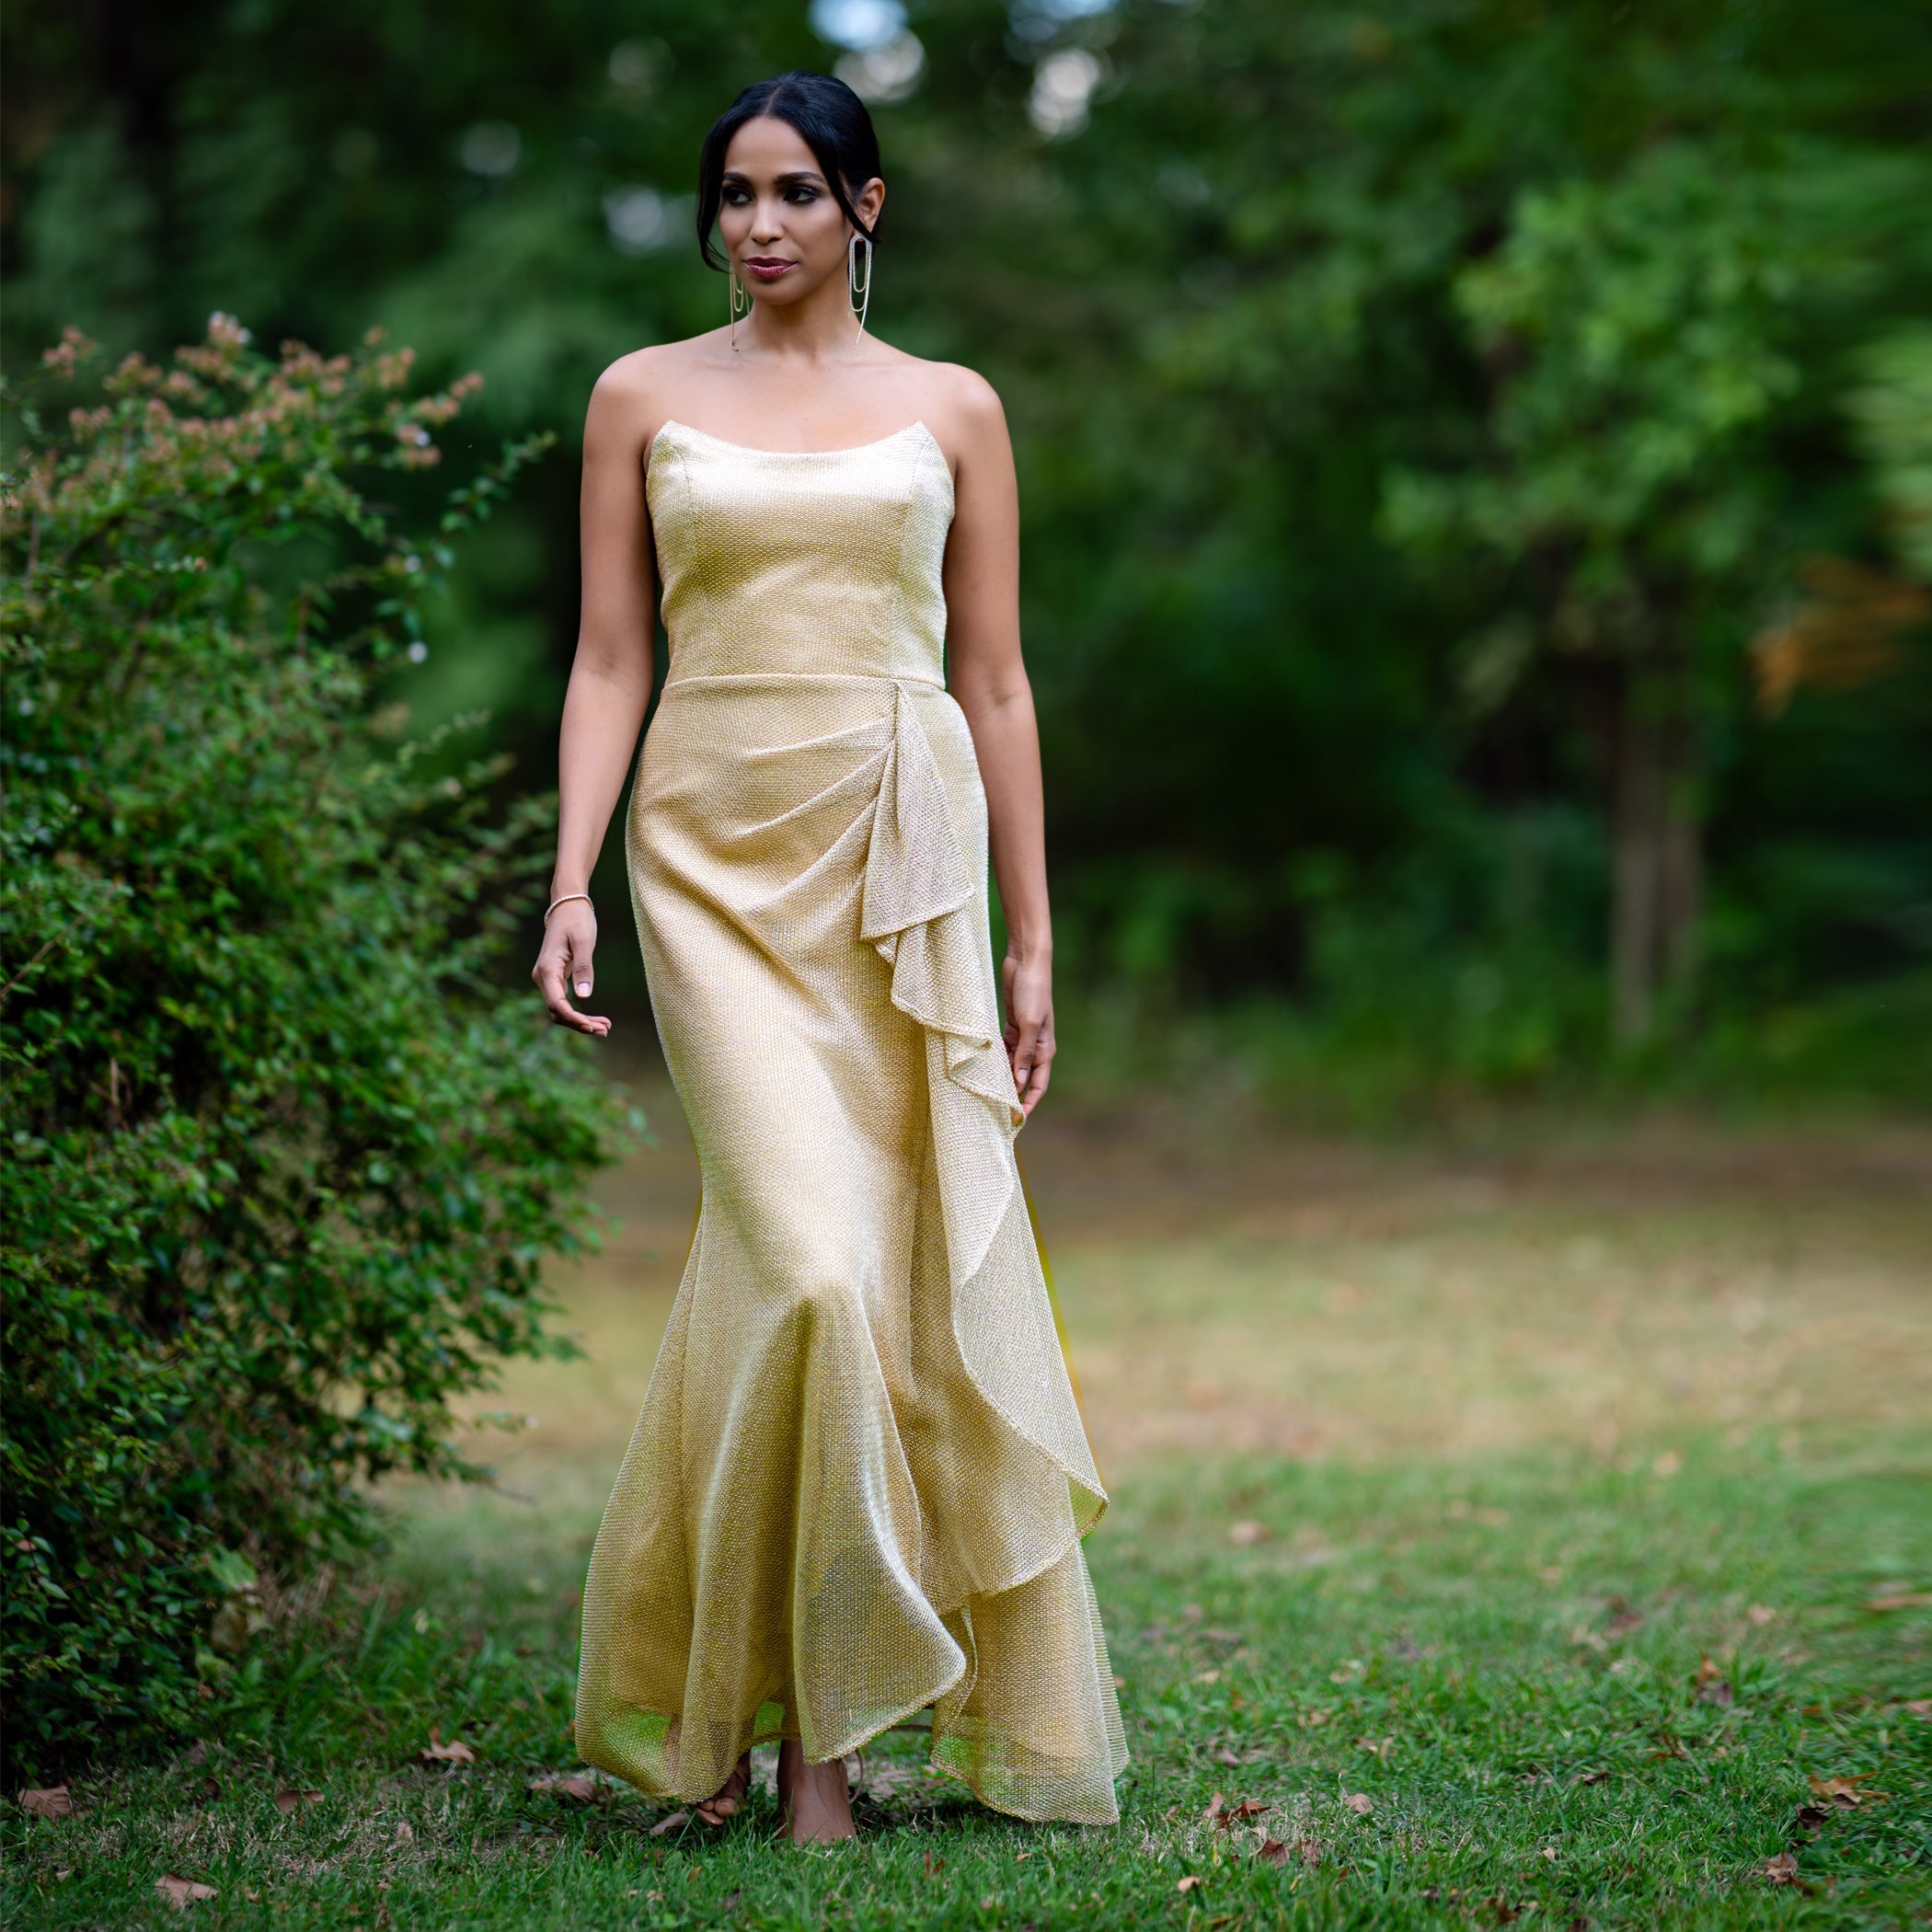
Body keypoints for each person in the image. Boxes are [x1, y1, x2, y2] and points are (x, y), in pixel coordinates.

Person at [531, 70, 1125, 1846]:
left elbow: (998, 681)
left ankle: (805, 1747)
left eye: (796, 189)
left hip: (898, 860)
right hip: (707, 862)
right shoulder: (642, 397)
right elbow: (607, 660)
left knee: (865, 1280)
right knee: (806, 1265)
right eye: (734, 193)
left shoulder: (954, 407)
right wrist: (570, 885)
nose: (760, 222)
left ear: (866, 206)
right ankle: (781, 1713)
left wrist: (1032, 934)